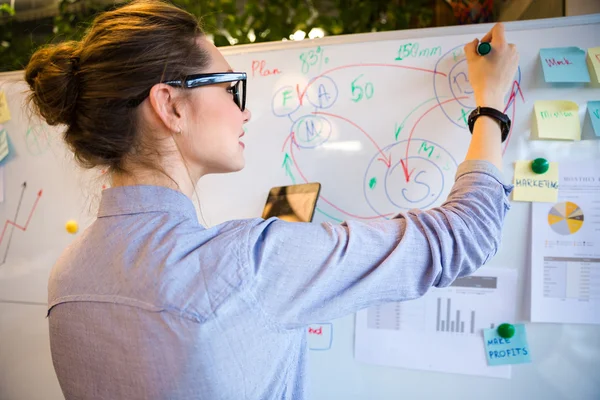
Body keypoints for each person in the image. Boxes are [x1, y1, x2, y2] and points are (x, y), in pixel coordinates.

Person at [25, 0, 518, 398]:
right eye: (230, 87)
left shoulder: (68, 272)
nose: (245, 112)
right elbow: (465, 234)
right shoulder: (245, 264)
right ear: (170, 105)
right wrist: (490, 106)